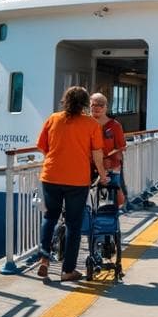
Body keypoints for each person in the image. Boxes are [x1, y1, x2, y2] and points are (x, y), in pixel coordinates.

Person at [36, 86, 107, 282]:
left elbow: (42, 146)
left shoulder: (53, 118)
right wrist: (102, 176)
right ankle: (67, 270)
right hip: (77, 180)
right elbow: (97, 154)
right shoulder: (91, 124)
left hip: (51, 176)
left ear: (65, 100)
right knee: (73, 224)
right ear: (85, 103)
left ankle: (44, 259)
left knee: (50, 216)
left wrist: (57, 159)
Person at [90, 93, 127, 208]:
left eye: (100, 105)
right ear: (89, 106)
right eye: (93, 105)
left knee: (111, 203)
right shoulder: (85, 124)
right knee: (87, 203)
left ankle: (109, 224)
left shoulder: (115, 126)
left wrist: (108, 160)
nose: (97, 107)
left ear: (106, 107)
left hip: (110, 168)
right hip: (87, 168)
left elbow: (121, 147)